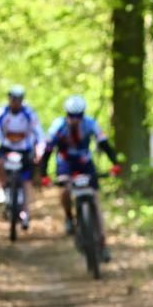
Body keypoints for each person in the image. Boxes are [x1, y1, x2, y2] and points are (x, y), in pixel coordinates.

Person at [39, 95, 120, 262]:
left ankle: (102, 242)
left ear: (83, 114)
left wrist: (115, 164)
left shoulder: (90, 124)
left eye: (78, 116)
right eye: (71, 116)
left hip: (85, 162)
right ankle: (69, 217)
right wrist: (43, 174)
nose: (75, 119)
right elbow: (47, 151)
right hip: (65, 163)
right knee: (65, 189)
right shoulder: (58, 126)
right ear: (66, 114)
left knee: (95, 199)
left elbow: (105, 144)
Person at [0, 84, 44, 229]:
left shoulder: (29, 113)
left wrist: (40, 150)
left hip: (24, 150)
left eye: (18, 99)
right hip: (6, 148)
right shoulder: (1, 113)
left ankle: (25, 212)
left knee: (26, 179)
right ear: (9, 99)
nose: (15, 102)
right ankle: (1, 189)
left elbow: (39, 133)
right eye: (13, 99)